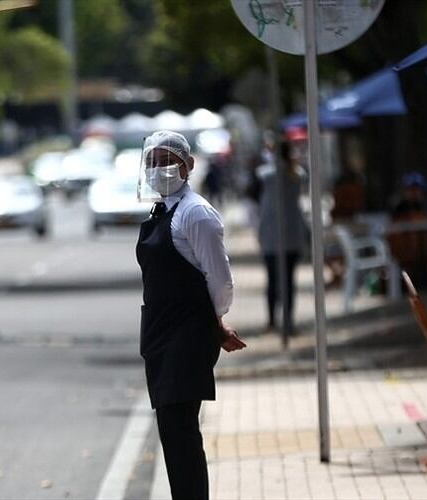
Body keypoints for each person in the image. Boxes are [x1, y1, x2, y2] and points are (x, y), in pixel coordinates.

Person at [136, 130, 246, 500]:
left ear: (188, 165)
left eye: (168, 160)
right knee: (172, 431)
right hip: (160, 335)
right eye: (153, 161)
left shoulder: (195, 214)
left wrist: (213, 323)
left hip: (186, 336)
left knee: (180, 429)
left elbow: (220, 281)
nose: (160, 168)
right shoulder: (161, 211)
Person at [256, 141, 307, 333]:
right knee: (288, 282)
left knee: (273, 280)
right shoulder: (297, 174)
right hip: (292, 235)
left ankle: (272, 320)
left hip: (272, 236)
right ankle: (288, 320)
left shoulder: (266, 174)